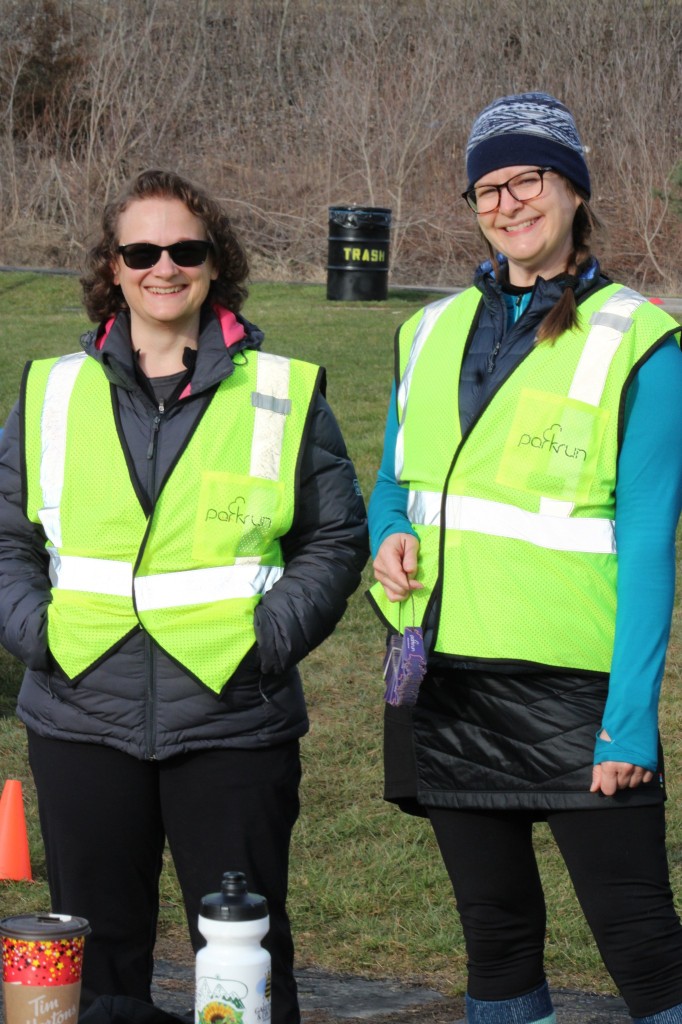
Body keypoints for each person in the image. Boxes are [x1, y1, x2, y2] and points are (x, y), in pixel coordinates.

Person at [0, 168, 368, 1024]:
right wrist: (39, 635)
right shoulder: (49, 390)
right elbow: (9, 536)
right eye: (141, 250)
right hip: (81, 713)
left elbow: (335, 538)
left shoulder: (283, 389)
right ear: (113, 266)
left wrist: (264, 643)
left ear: (215, 262)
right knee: (97, 968)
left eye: (185, 249)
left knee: (243, 960)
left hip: (232, 717)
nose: (164, 267)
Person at [368, 93, 682, 1024]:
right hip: (443, 677)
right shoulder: (423, 332)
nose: (507, 204)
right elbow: (395, 482)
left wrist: (629, 723)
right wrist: (387, 531)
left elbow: (652, 549)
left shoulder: (643, 341)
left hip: (578, 688)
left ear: (574, 189)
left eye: (527, 179)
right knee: (493, 930)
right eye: (486, 189)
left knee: (641, 939)